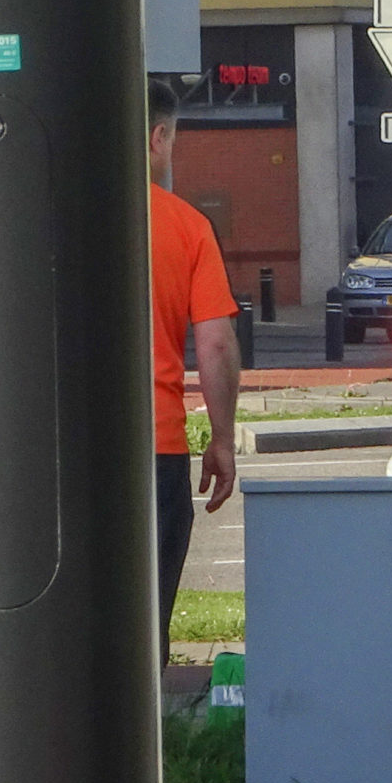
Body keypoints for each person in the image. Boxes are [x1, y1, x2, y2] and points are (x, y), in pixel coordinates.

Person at [148, 81, 241, 664]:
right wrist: (223, 439)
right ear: (159, 136)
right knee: (144, 615)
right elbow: (216, 343)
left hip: (57, 451)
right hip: (154, 448)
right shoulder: (185, 226)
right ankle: (145, 743)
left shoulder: (47, 213)